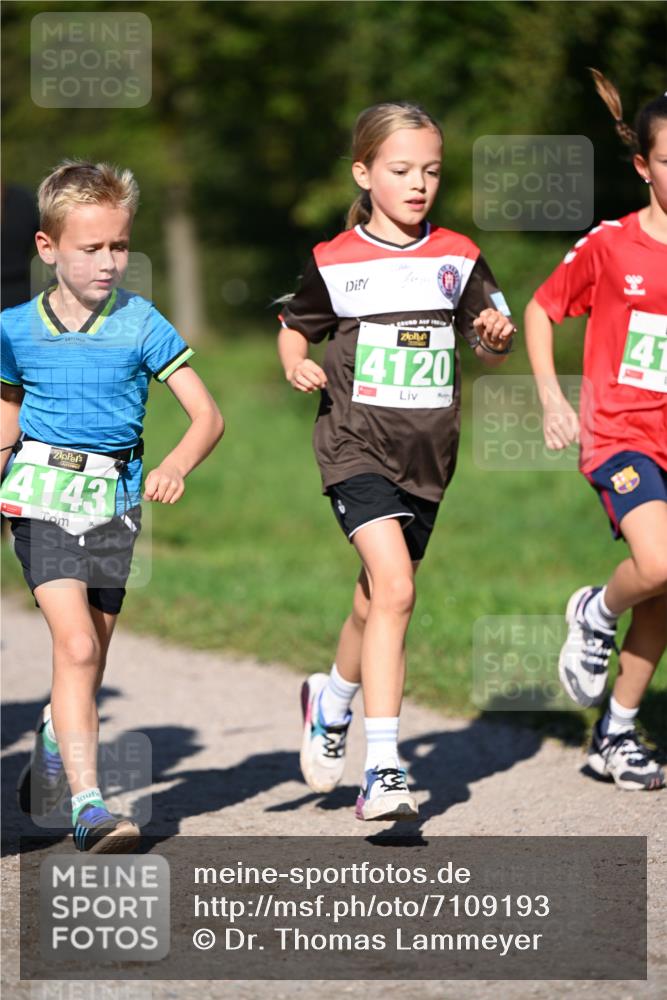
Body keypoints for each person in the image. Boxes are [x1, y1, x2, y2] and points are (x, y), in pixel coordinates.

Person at [277, 102, 515, 821]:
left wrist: (495, 335)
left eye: (431, 172)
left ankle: (332, 700)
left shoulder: (458, 256)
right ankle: (382, 767)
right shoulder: (333, 260)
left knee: (374, 597)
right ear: (364, 172)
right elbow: (296, 329)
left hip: (428, 456)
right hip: (354, 446)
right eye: (401, 170)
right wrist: (296, 365)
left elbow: (491, 334)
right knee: (397, 589)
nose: (418, 184)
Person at [0, 160, 224, 851]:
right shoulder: (13, 327)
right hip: (40, 498)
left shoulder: (141, 322)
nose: (108, 262)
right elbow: (7, 414)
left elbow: (206, 415)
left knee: (89, 656)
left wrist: (176, 464)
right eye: (90, 249)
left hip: (116, 502)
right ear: (48, 249)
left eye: (119, 247)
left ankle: (50, 742)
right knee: (72, 644)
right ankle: (89, 807)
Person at [525, 72, 667, 791]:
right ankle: (593, 608)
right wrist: (553, 400)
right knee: (659, 562)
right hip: (619, 433)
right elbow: (541, 310)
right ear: (643, 166)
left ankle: (613, 732)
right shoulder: (611, 246)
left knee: (666, 591)